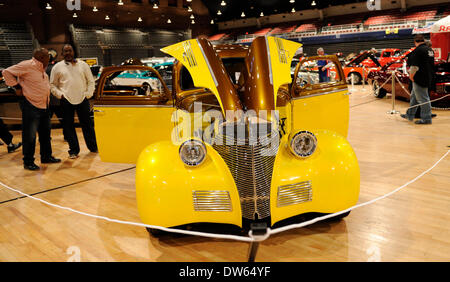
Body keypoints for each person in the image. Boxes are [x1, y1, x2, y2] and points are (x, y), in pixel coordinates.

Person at [2, 48, 61, 170]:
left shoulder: (42, 68)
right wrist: (17, 86)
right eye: (47, 55)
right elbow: (6, 72)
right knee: (30, 136)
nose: (49, 57)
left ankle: (46, 157)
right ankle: (28, 161)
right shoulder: (27, 65)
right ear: (41, 57)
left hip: (44, 105)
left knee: (45, 134)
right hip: (31, 105)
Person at [50, 44, 97, 159]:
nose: (68, 53)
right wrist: (60, 95)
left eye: (69, 51)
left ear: (73, 52)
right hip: (66, 100)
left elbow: (91, 82)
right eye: (65, 51)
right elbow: (52, 85)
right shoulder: (57, 67)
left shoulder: (83, 65)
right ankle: (74, 150)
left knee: (88, 125)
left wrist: (88, 94)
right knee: (68, 126)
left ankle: (93, 147)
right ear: (62, 54)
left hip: (82, 99)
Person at [401, 34, 435, 124]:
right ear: (423, 40)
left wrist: (411, 76)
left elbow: (414, 66)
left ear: (415, 42)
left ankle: (426, 118)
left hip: (419, 78)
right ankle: (410, 114)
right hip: (428, 76)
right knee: (414, 97)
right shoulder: (430, 50)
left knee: (423, 98)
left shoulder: (417, 51)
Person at [46, 49, 67, 141]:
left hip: (47, 99)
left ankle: (45, 137)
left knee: (46, 121)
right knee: (64, 120)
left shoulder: (43, 68)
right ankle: (67, 137)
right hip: (58, 98)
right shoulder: (58, 67)